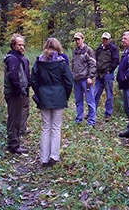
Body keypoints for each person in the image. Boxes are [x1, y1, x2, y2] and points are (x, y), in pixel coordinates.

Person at [31, 38, 73, 167]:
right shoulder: (62, 63)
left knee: (46, 128)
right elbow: (69, 82)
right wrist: (65, 95)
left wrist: (40, 93)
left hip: (44, 97)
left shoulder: (39, 62)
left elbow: (33, 80)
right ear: (58, 47)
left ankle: (44, 158)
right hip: (59, 97)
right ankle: (54, 156)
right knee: (56, 127)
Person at [4, 34, 30, 154]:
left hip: (17, 93)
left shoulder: (17, 57)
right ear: (13, 45)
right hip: (14, 94)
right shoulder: (12, 59)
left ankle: (15, 142)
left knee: (17, 118)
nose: (21, 47)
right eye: (19, 45)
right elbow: (13, 77)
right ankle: (13, 145)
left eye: (22, 44)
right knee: (14, 119)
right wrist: (19, 91)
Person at [71, 32, 97, 126]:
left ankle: (92, 121)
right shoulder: (75, 51)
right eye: (75, 40)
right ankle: (79, 119)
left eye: (78, 39)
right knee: (78, 101)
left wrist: (90, 77)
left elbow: (93, 64)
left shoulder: (88, 50)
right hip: (76, 79)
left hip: (86, 79)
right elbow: (73, 64)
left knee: (90, 100)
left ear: (83, 39)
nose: (77, 41)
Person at [94, 32, 119, 121]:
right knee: (95, 93)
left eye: (106, 39)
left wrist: (109, 70)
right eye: (103, 38)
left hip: (108, 74)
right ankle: (92, 112)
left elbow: (116, 61)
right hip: (99, 75)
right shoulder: (99, 48)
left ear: (109, 39)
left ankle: (108, 114)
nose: (105, 40)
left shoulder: (113, 49)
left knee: (109, 95)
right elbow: (95, 59)